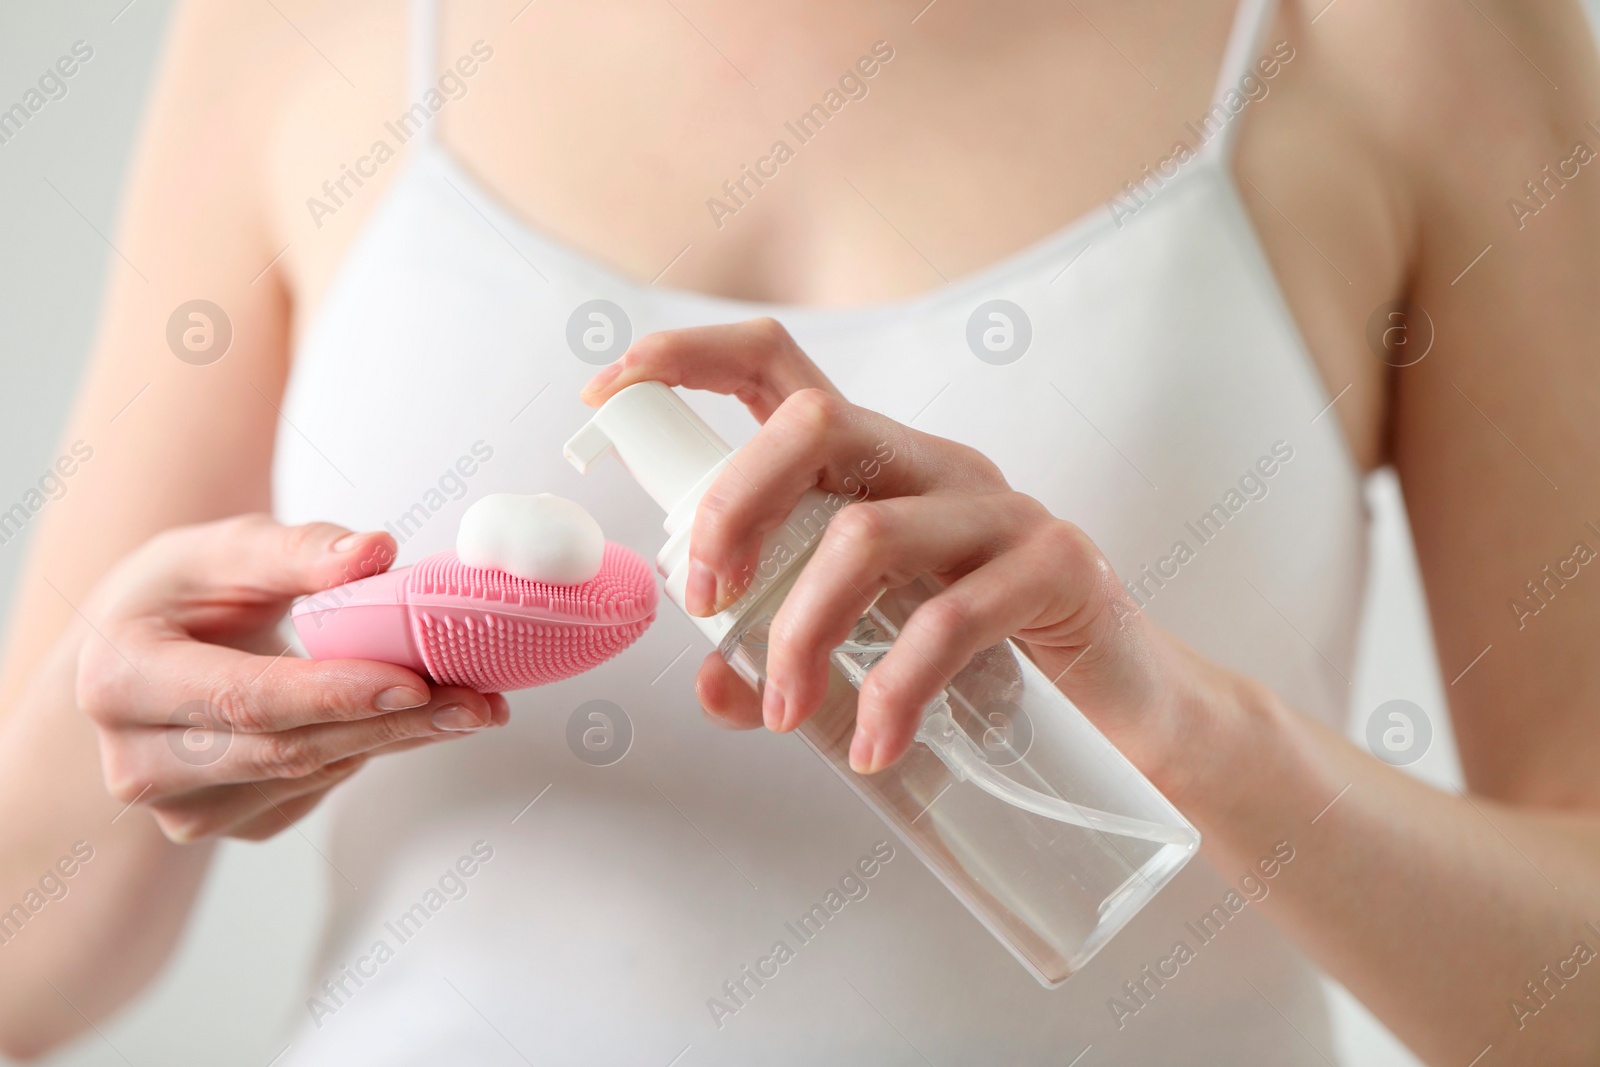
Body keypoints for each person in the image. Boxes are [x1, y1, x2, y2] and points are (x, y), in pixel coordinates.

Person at [2, 0, 1598, 1062]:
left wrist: (1195, 731)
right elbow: (33, 959)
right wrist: (138, 718)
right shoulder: (304, 26)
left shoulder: (1410, 38)